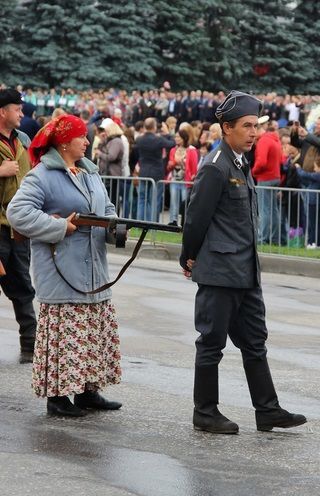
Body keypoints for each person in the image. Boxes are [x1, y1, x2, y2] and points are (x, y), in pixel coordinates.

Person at [180, 90, 306, 434]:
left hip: (245, 272)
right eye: (247, 126)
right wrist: (187, 256)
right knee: (211, 343)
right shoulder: (216, 166)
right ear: (226, 128)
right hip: (220, 272)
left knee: (254, 343)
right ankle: (205, 411)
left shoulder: (239, 162)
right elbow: (195, 219)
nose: (254, 132)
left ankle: (267, 410)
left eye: (256, 126)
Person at [7, 114, 122, 417]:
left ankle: (88, 392)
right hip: (62, 271)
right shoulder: (42, 175)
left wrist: (113, 226)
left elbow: (106, 208)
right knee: (66, 338)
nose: (87, 141)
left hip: (93, 270)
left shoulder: (90, 173)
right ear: (64, 142)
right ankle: (57, 399)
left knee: (91, 335)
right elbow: (18, 213)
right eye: (81, 136)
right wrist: (59, 227)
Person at [0, 88, 37, 358]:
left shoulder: (22, 140)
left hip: (18, 228)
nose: (21, 114)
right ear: (3, 112)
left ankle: (30, 345)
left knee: (23, 286)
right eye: (17, 109)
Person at [135, 117, 174, 221]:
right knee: (154, 200)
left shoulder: (139, 139)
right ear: (154, 127)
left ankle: (140, 223)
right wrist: (167, 133)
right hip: (157, 173)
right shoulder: (158, 139)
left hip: (143, 172)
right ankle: (152, 224)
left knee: (142, 199)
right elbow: (172, 143)